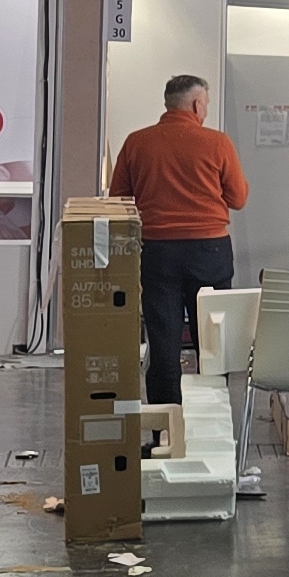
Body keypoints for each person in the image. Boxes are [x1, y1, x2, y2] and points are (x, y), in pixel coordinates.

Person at [110, 73, 250, 406]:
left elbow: (119, 198)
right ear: (197, 104)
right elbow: (238, 198)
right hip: (210, 250)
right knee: (212, 338)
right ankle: (211, 416)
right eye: (206, 103)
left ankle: (165, 423)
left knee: (163, 338)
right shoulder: (217, 143)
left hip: (157, 251)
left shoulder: (137, 142)